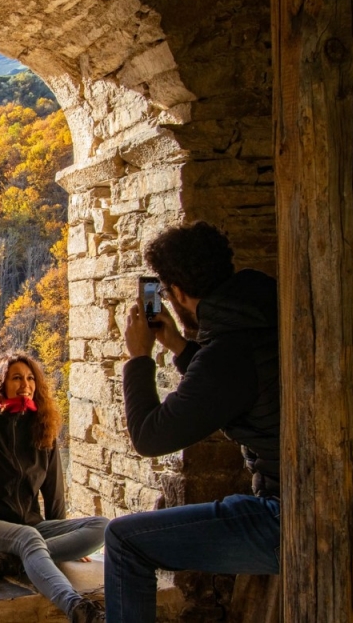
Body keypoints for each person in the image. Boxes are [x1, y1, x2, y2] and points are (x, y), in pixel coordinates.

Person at [103, 221, 281, 622]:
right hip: (300, 495)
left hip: (284, 515)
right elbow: (235, 386)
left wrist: (139, 357)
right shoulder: (263, 314)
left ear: (178, 293)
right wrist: (180, 347)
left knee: (125, 541)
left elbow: (150, 436)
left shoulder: (228, 352)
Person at [0, 351, 108, 623]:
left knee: (103, 526)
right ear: (0, 382)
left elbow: (53, 488)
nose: (25, 384)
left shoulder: (43, 424)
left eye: (30, 378)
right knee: (28, 539)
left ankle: (6, 562)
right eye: (16, 378)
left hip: (30, 524)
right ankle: (78, 608)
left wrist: (69, 544)